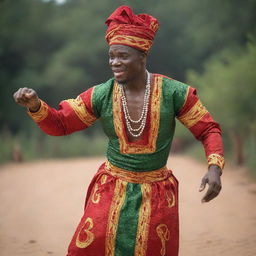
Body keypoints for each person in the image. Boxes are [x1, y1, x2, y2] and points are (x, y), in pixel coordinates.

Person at [13, 6, 224, 256]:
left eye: (122, 56)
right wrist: (36, 106)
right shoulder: (101, 94)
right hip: (110, 189)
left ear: (142, 56)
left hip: (157, 194)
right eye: (111, 56)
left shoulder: (175, 93)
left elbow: (208, 129)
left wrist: (214, 168)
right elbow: (61, 124)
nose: (114, 62)